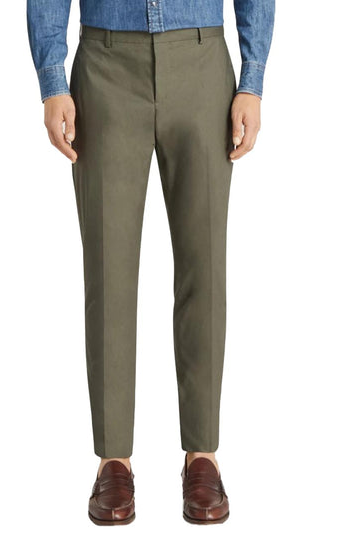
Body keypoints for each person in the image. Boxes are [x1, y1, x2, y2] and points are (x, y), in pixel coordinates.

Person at [27, 0, 275, 526]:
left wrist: (252, 80)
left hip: (202, 60)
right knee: (108, 271)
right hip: (105, 64)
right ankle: (112, 459)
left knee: (205, 267)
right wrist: (52, 80)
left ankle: (202, 454)